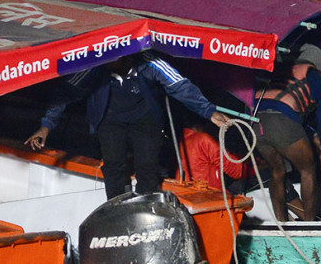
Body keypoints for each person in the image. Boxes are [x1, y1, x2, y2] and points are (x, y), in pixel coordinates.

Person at [25, 52, 229, 199]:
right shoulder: (96, 65)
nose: (108, 58)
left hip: (145, 118)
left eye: (116, 56)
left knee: (147, 167)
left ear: (129, 56)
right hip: (110, 119)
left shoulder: (151, 63)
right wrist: (46, 126)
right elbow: (66, 93)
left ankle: (147, 206)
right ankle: (115, 207)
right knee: (113, 166)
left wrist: (209, 111)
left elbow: (181, 86)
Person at [253, 44, 321, 221]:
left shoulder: (280, 70)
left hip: (255, 120)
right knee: (308, 169)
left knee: (277, 171)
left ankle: (282, 224)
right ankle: (310, 226)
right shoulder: (313, 76)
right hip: (281, 119)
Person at [182, 120, 253, 191]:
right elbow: (237, 171)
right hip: (208, 195)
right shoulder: (202, 139)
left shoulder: (177, 141)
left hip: (185, 195)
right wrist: (256, 166)